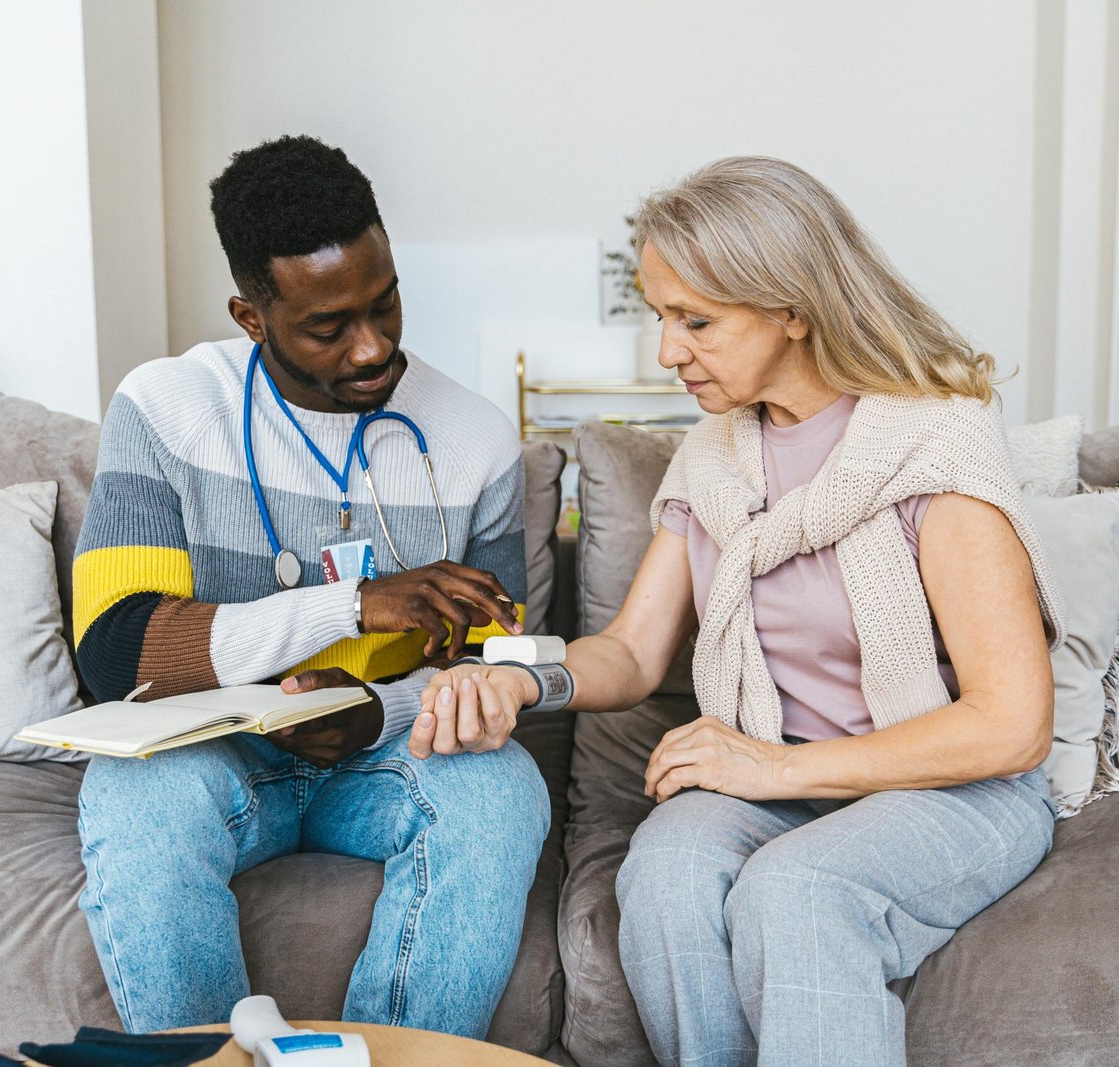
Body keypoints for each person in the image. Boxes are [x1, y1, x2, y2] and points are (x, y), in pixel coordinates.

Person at [415, 156, 1067, 1067]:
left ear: (792, 308)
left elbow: (1013, 724)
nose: (667, 351)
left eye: (696, 321)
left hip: (948, 786)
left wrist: (770, 768)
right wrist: (522, 676)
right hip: (782, 776)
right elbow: (634, 655)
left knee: (796, 889)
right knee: (667, 875)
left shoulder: (933, 445)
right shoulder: (712, 457)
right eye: (660, 317)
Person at [70, 135, 550, 1037]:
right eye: (329, 327)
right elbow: (116, 653)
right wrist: (354, 605)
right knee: (137, 797)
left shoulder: (476, 438)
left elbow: (499, 670)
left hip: (382, 758)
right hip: (216, 758)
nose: (373, 347)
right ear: (251, 315)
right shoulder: (166, 408)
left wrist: (376, 709)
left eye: (386, 303)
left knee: (502, 786)